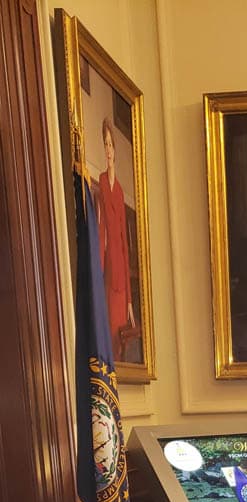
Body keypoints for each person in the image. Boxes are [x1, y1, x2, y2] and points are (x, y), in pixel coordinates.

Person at [97, 116, 135, 360]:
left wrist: (130, 300)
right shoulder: (101, 182)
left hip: (120, 270)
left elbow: (123, 242)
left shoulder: (119, 190)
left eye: (111, 145)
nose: (108, 149)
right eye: (106, 144)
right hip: (107, 269)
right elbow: (102, 231)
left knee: (120, 335)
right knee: (108, 331)